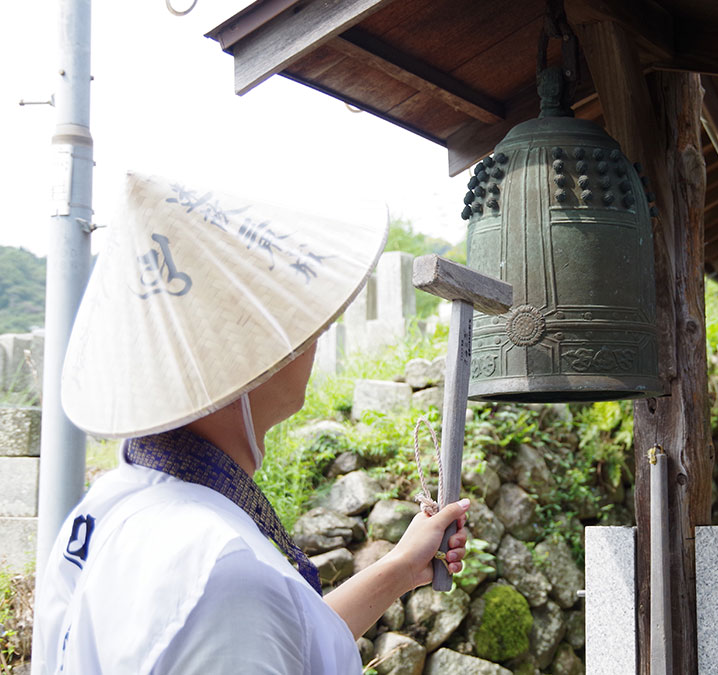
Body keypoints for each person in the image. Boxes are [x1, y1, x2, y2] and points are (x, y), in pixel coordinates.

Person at [32, 173, 469, 673]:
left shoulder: (111, 502)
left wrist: (398, 568)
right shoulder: (222, 569)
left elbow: (284, 639)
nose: (312, 333)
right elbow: (244, 616)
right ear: (237, 364)